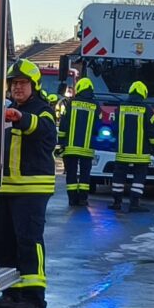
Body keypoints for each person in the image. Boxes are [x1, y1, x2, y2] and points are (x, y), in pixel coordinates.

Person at [0, 58, 56, 308]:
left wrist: (21, 118)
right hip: (7, 189)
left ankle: (35, 298)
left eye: (23, 83)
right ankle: (12, 293)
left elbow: (43, 127)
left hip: (32, 189)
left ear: (34, 85)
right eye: (14, 83)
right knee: (4, 242)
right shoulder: (6, 109)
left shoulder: (43, 110)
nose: (17, 87)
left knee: (29, 241)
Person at [109, 80, 154, 211]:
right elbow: (153, 132)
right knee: (139, 178)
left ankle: (117, 202)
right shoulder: (147, 110)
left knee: (118, 177)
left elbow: (114, 128)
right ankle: (134, 203)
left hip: (122, 152)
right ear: (143, 94)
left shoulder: (120, 108)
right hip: (141, 154)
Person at [60, 75, 99, 208]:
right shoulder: (96, 105)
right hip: (87, 149)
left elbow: (63, 124)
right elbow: (98, 126)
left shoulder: (71, 103)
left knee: (71, 174)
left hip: (70, 148)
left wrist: (61, 142)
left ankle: (72, 200)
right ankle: (83, 199)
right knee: (85, 175)